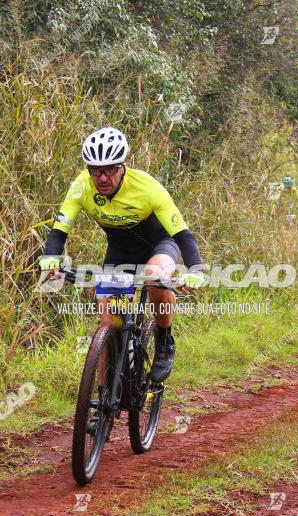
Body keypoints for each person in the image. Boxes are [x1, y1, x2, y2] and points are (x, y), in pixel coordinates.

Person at [39, 127, 204, 383]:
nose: (102, 178)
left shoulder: (147, 187)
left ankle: (164, 341)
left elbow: (183, 234)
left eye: (109, 170)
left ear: (122, 166)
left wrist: (196, 269)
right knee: (109, 323)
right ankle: (104, 401)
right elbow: (60, 229)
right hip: (120, 251)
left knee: (153, 277)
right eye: (95, 170)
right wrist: (51, 257)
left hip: (160, 243)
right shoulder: (81, 186)